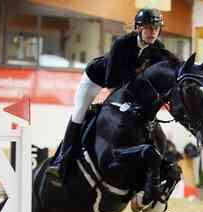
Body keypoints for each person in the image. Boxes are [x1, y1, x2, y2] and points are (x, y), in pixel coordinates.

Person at [46, 8, 166, 180]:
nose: (153, 32)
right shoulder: (122, 44)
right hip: (96, 78)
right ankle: (60, 160)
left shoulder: (158, 49)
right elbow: (111, 81)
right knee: (79, 114)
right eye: (149, 28)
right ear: (139, 28)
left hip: (124, 85)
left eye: (156, 28)